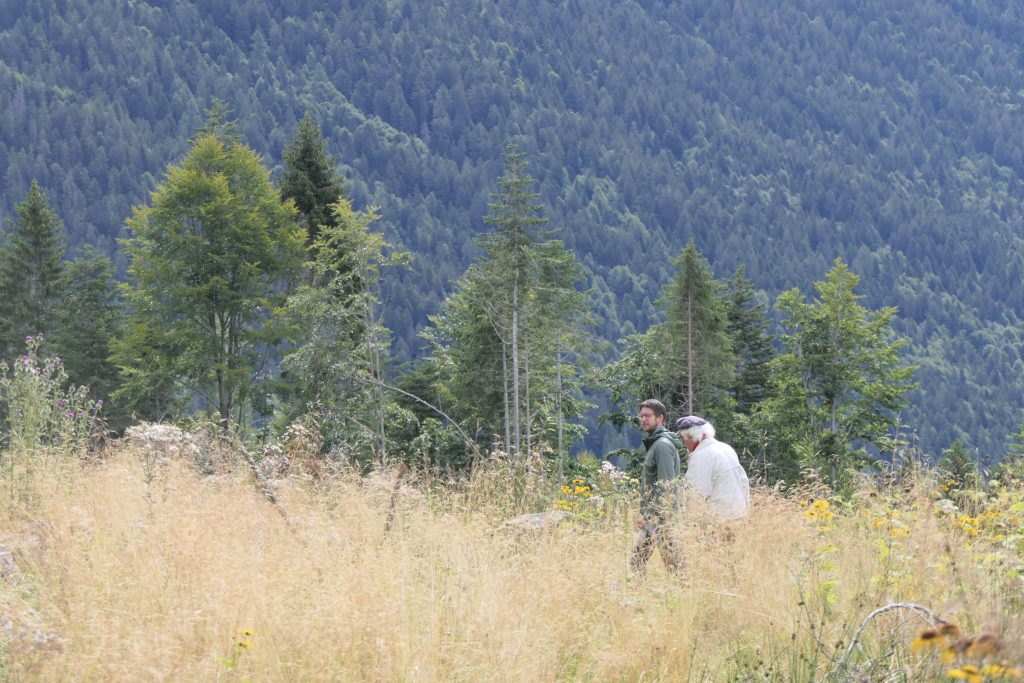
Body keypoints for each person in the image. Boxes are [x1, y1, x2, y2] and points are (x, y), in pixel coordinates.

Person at [629, 399, 685, 576]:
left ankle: (635, 600)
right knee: (672, 566)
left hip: (659, 520)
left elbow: (666, 487)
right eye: (642, 416)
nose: (643, 419)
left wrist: (651, 519)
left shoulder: (661, 445)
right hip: (657, 519)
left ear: (660, 418)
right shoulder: (657, 443)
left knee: (640, 562)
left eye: (648, 416)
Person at [674, 415, 750, 521]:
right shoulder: (726, 447)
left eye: (682, 438)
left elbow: (695, 494)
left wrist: (688, 523)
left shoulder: (701, 456)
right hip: (739, 514)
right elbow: (744, 482)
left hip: (720, 520)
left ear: (690, 436)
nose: (683, 443)